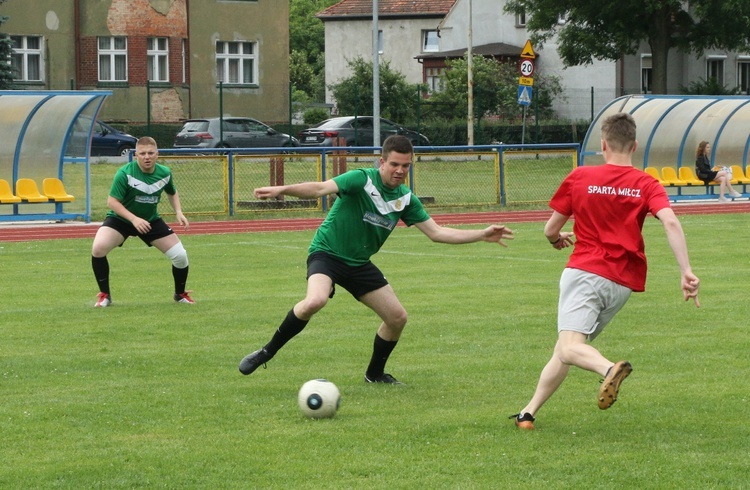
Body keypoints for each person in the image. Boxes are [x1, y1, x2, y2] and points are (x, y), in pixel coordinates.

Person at [239, 135, 514, 383]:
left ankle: (374, 374)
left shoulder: (406, 199)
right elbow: (320, 188)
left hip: (358, 264)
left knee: (397, 318)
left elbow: (437, 233)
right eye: (395, 164)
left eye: (406, 166)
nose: (400, 171)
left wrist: (482, 234)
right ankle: (266, 351)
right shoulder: (361, 179)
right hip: (327, 253)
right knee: (315, 300)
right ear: (382, 161)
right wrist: (282, 190)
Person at [510, 112, 700, 430]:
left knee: (571, 348)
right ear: (634, 145)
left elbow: (549, 229)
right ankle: (528, 413)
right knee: (567, 349)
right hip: (621, 284)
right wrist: (686, 271)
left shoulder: (581, 177)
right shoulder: (646, 183)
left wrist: (557, 239)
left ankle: (610, 368)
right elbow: (669, 221)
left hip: (585, 271)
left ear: (603, 145)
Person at [91, 136, 194, 307]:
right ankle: (105, 296)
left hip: (150, 221)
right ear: (136, 155)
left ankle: (180, 294)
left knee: (181, 256)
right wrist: (133, 219)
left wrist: (178, 211)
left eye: (151, 153)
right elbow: (112, 202)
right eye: (143, 153)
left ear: (157, 154)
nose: (147, 156)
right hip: (121, 219)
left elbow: (172, 192)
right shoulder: (124, 173)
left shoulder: (165, 173)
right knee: (98, 248)